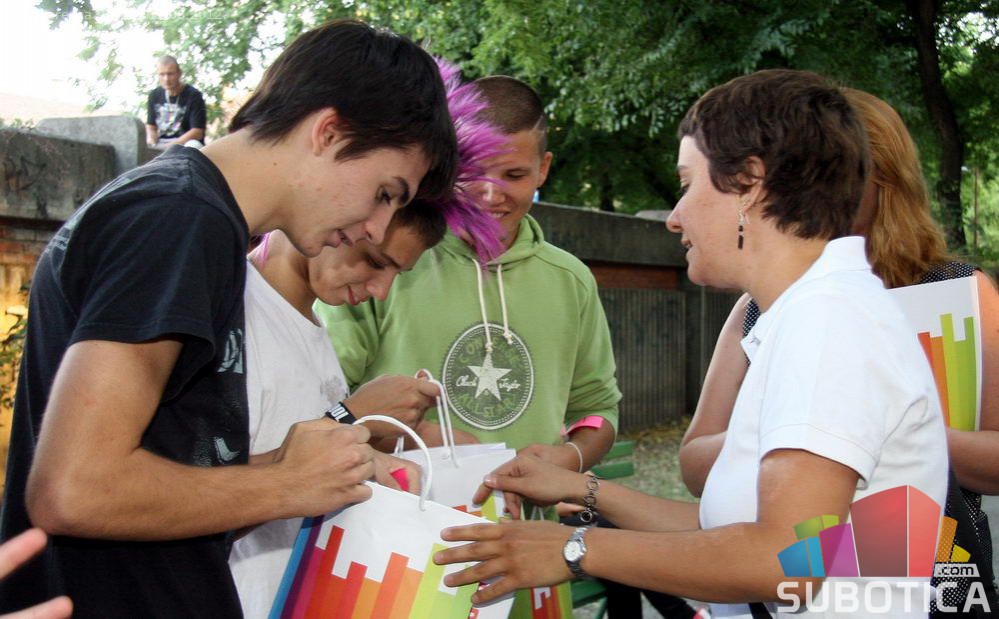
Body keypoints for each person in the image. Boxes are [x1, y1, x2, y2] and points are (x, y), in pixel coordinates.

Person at [434, 70, 949, 618]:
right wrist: (582, 489)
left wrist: (573, 549)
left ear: (749, 183)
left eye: (687, 183)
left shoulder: (829, 322)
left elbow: (786, 562)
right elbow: (729, 532)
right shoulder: (810, 313)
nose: (675, 219)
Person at [0, 19, 458, 617]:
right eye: (385, 192)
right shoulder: (179, 218)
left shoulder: (196, 218)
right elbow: (74, 489)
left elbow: (162, 474)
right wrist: (286, 483)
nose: (375, 226)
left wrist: (303, 467)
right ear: (329, 132)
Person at [679, 86, 999, 615]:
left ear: (882, 181)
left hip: (942, 569)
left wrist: (875, 432)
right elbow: (694, 462)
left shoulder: (961, 292)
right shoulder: (758, 307)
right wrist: (796, 435)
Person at [317, 75, 621, 618]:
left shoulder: (571, 280)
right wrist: (415, 441)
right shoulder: (385, 259)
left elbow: (597, 409)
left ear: (543, 169)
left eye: (514, 174)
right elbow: (328, 405)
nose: (489, 193)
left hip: (531, 558)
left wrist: (568, 457)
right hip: (400, 553)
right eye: (473, 172)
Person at [228, 60, 507, 616]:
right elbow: (191, 488)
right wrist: (352, 416)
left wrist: (399, 440)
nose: (379, 289)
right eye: (375, 259)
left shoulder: (311, 329)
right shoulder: (232, 307)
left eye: (396, 273)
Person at [145, 55, 207, 149]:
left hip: (184, 144)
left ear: (179, 73)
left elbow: (197, 132)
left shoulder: (194, 95)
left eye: (170, 74)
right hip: (161, 143)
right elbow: (151, 127)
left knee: (194, 144)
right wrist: (151, 139)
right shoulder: (154, 95)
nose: (166, 79)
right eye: (162, 74)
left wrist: (170, 147)